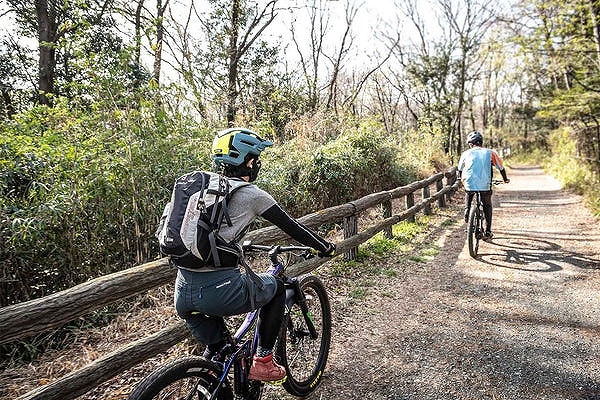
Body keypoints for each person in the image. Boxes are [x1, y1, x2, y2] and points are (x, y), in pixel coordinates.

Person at [173, 127, 336, 383]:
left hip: (182, 292)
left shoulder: (205, 189)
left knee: (222, 354)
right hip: (219, 290)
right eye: (256, 159)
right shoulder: (252, 194)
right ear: (249, 161)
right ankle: (263, 361)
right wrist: (324, 246)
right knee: (278, 288)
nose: (257, 164)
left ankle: (211, 380)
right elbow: (293, 228)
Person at [457, 130, 510, 240]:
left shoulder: (466, 153)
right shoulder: (490, 153)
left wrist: (460, 178)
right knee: (487, 205)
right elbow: (501, 167)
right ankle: (488, 231)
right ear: (481, 142)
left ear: (471, 144)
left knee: (469, 191)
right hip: (485, 184)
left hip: (469, 183)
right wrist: (505, 179)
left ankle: (467, 209)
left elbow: (460, 169)